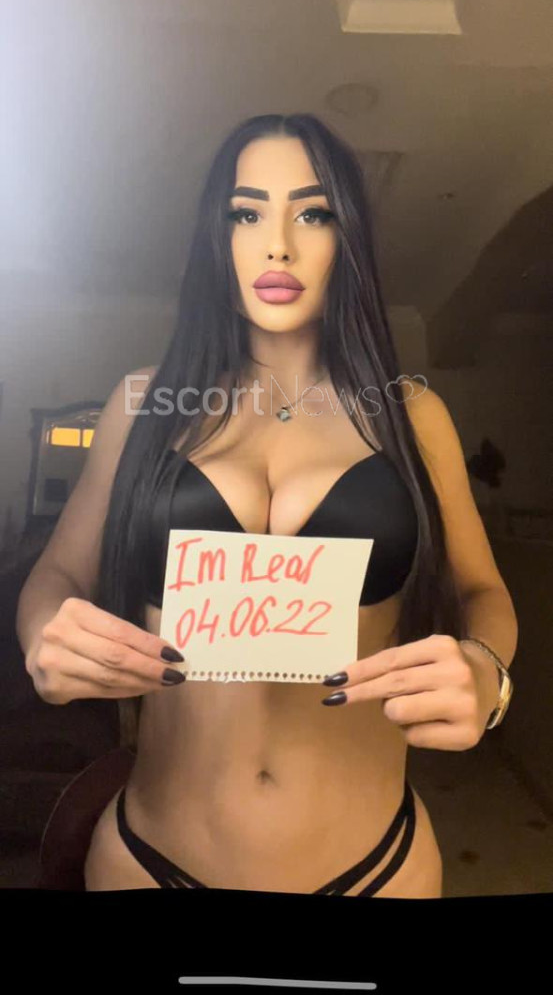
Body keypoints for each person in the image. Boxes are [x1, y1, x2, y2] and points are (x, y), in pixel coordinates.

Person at [17, 113, 518, 896]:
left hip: (374, 867)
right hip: (151, 858)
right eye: (245, 214)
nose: (277, 245)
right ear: (214, 239)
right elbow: (56, 575)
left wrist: (488, 675)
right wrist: (44, 635)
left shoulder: (411, 414)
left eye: (312, 214)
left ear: (346, 238)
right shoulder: (143, 404)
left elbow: (482, 590)